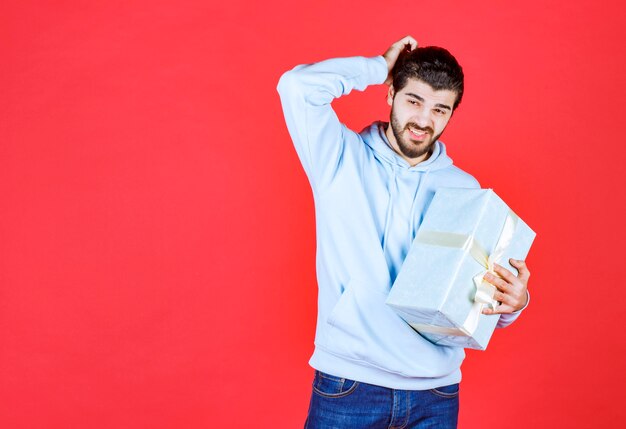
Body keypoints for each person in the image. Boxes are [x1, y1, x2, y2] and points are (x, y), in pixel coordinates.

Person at [277, 36, 531, 429]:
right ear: (391, 93)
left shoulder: (464, 189)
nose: (424, 120)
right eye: (414, 101)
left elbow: (475, 303)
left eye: (440, 109)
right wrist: (378, 66)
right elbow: (297, 87)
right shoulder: (339, 157)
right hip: (350, 383)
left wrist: (514, 303)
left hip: (437, 393)